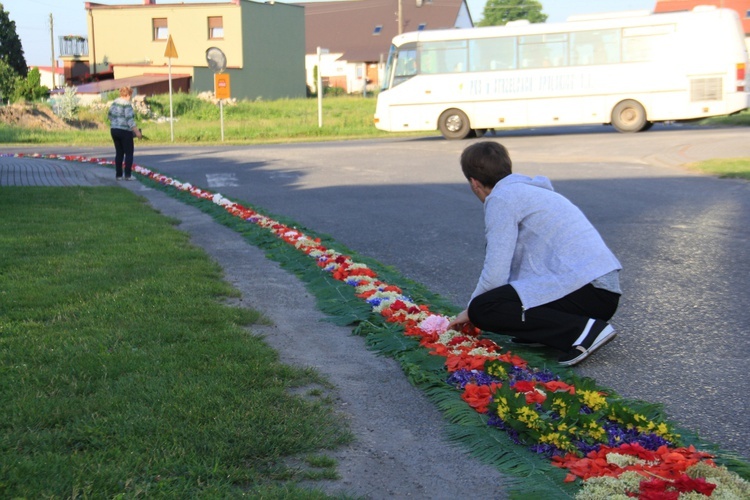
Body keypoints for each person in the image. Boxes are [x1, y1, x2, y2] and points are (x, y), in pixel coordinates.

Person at [447, 141, 622, 366]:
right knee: (503, 297)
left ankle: (584, 331)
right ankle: (546, 332)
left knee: (485, 307)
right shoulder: (530, 190)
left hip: (590, 293)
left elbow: (495, 273)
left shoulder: (501, 198)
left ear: (474, 183)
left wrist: (470, 311)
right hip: (600, 291)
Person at [108, 86, 142, 181]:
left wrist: (116, 123)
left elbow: (109, 115)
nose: (131, 97)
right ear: (128, 94)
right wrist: (137, 132)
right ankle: (128, 175)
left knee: (119, 153)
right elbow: (129, 120)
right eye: (131, 95)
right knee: (129, 153)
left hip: (114, 130)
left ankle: (118, 175)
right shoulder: (127, 104)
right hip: (124, 131)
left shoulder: (114, 102)